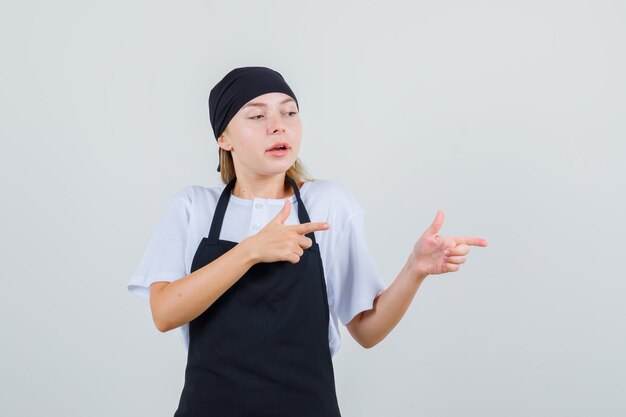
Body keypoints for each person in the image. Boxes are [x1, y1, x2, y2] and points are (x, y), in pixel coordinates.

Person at [127, 66, 488, 416]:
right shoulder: (193, 207)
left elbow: (366, 329)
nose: (278, 125)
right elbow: (164, 313)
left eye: (289, 112)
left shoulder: (329, 205)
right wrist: (250, 251)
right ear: (224, 138)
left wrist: (415, 269)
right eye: (256, 116)